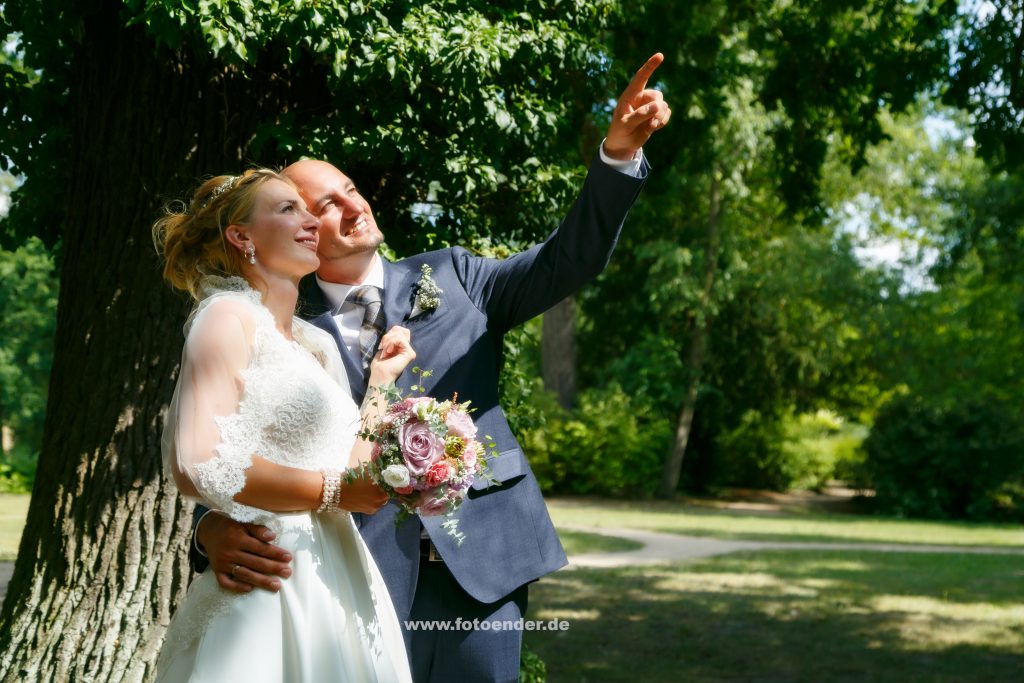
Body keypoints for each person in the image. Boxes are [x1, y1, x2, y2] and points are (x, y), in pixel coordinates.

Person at [194, 53, 672, 681]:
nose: (353, 207)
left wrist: (615, 158)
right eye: (327, 206)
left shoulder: (455, 274)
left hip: (480, 562)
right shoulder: (276, 322)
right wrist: (209, 530)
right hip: (347, 571)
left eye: (352, 191)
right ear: (302, 229)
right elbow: (229, 442)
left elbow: (569, 259)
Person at [153, 169, 416, 682]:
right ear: (242, 236)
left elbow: (349, 473)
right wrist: (334, 490)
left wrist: (382, 382)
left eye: (307, 209)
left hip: (337, 575)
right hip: (271, 578)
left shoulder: (309, 345)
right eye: (287, 209)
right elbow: (198, 461)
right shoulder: (226, 317)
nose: (311, 221)